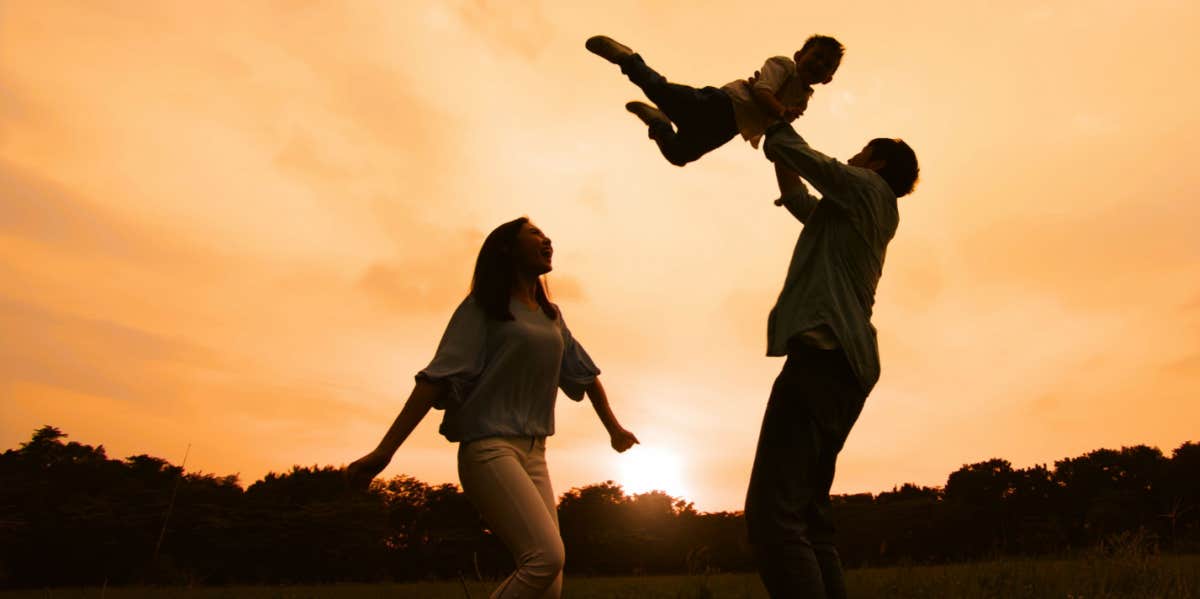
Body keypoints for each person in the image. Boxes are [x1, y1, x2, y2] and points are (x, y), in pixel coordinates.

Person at [346, 217, 639, 599]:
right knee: (545, 558)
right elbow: (435, 379)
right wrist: (384, 451)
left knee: (550, 583)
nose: (546, 238)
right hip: (489, 449)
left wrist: (613, 429)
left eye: (545, 233)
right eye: (534, 233)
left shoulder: (551, 316)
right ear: (506, 249)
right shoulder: (483, 308)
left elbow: (584, 374)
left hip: (535, 452)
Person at [746, 122, 918, 599]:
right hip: (846, 367)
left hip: (823, 357)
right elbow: (801, 197)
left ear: (877, 162)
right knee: (808, 516)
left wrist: (774, 117)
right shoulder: (861, 209)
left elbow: (806, 158)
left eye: (862, 150)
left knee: (772, 516)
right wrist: (780, 157)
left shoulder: (865, 186)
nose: (854, 156)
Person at [585, 34, 843, 166]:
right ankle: (627, 59)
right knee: (659, 90)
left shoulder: (805, 97)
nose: (819, 64)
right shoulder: (784, 65)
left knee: (679, 155)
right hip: (721, 105)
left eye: (827, 65)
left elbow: (777, 125)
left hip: (729, 128)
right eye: (817, 56)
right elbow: (762, 90)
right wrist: (781, 111)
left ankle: (658, 123)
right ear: (799, 54)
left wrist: (782, 124)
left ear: (828, 78)